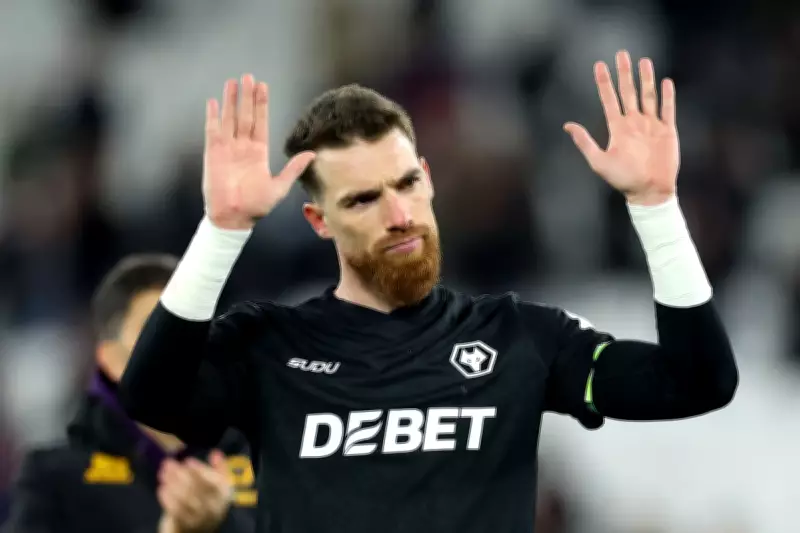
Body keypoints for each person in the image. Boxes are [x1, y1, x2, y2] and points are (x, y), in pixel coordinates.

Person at [118, 50, 739, 533]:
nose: (399, 215)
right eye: (363, 200)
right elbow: (150, 394)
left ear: (430, 179)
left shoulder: (519, 338)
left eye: (407, 183)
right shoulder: (270, 346)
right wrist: (223, 230)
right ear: (319, 221)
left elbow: (697, 382)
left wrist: (655, 207)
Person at [4, 255, 257, 533]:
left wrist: (225, 524)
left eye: (198, 326)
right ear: (111, 360)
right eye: (156, 330)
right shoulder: (54, 479)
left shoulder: (266, 461)